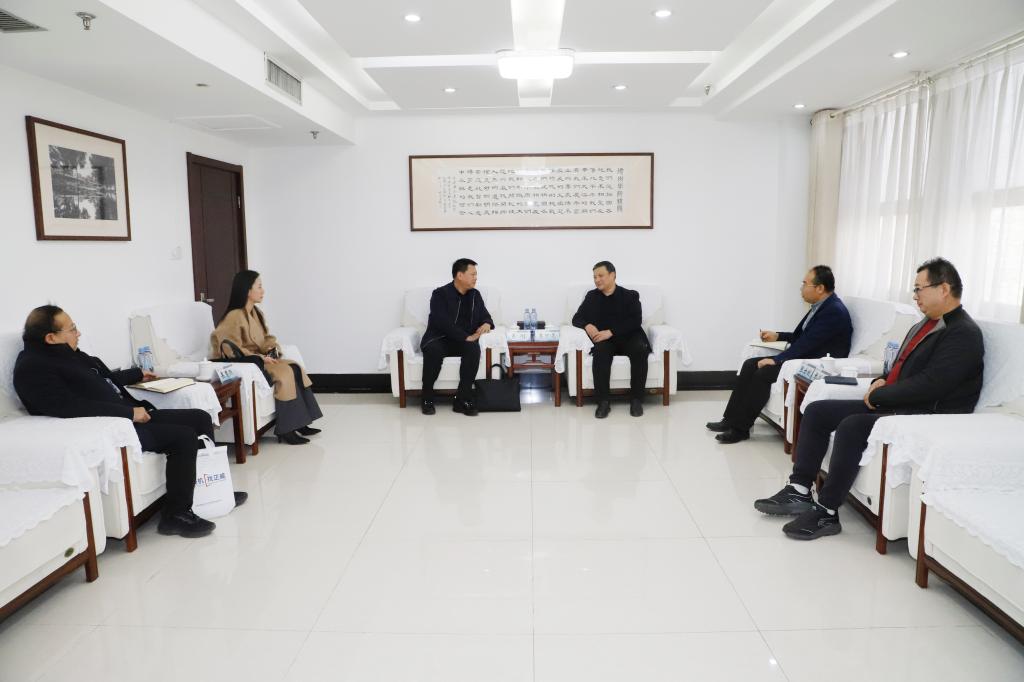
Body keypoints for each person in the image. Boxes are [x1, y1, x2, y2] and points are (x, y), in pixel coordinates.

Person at [754, 258, 984, 540]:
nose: (915, 296)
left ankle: (826, 512)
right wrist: (883, 380)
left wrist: (880, 395)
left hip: (926, 412)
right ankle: (799, 489)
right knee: (817, 411)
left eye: (919, 289)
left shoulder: (963, 333)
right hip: (901, 401)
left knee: (853, 425)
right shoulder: (928, 323)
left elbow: (933, 385)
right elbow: (904, 365)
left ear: (944, 289)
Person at [13, 305, 246, 539]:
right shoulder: (32, 368)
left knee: (200, 418)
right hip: (116, 426)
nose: (78, 333)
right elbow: (69, 407)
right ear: (51, 338)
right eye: (72, 329)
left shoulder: (70, 354)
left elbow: (104, 380)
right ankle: (176, 515)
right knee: (183, 437)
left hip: (128, 414)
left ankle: (211, 491)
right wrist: (129, 414)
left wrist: (137, 374)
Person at [707, 265, 853, 444]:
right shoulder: (821, 306)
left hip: (816, 365)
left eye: (805, 284)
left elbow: (807, 344)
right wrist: (778, 335)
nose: (801, 288)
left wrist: (776, 360)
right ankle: (730, 419)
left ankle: (740, 429)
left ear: (820, 288)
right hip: (804, 356)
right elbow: (802, 337)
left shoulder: (833, 311)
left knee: (763, 373)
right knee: (750, 364)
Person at [210, 270, 322, 445]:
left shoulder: (256, 313)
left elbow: (266, 338)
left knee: (295, 367)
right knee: (285, 373)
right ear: (247, 290)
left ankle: (302, 422)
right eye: (259, 287)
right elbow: (228, 348)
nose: (263, 291)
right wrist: (260, 357)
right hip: (249, 362)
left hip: (260, 359)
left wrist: (271, 349)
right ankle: (286, 429)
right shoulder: (234, 316)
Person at [572, 261, 651, 418]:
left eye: (600, 275)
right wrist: (587, 325)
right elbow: (577, 318)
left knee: (640, 349)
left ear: (612, 275)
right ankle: (603, 402)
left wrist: (612, 332)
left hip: (629, 336)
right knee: (600, 351)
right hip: (605, 340)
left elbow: (635, 321)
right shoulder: (591, 296)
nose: (597, 280)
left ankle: (636, 400)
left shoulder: (630, 295)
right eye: (594, 277)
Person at [420, 258, 494, 416]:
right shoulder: (440, 294)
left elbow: (485, 315)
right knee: (433, 351)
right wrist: (465, 337)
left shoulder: (475, 295)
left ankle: (462, 399)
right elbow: (441, 322)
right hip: (439, 338)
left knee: (473, 349)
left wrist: (487, 323)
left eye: (476, 274)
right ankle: (427, 398)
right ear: (460, 275)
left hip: (462, 341)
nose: (476, 278)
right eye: (472, 274)